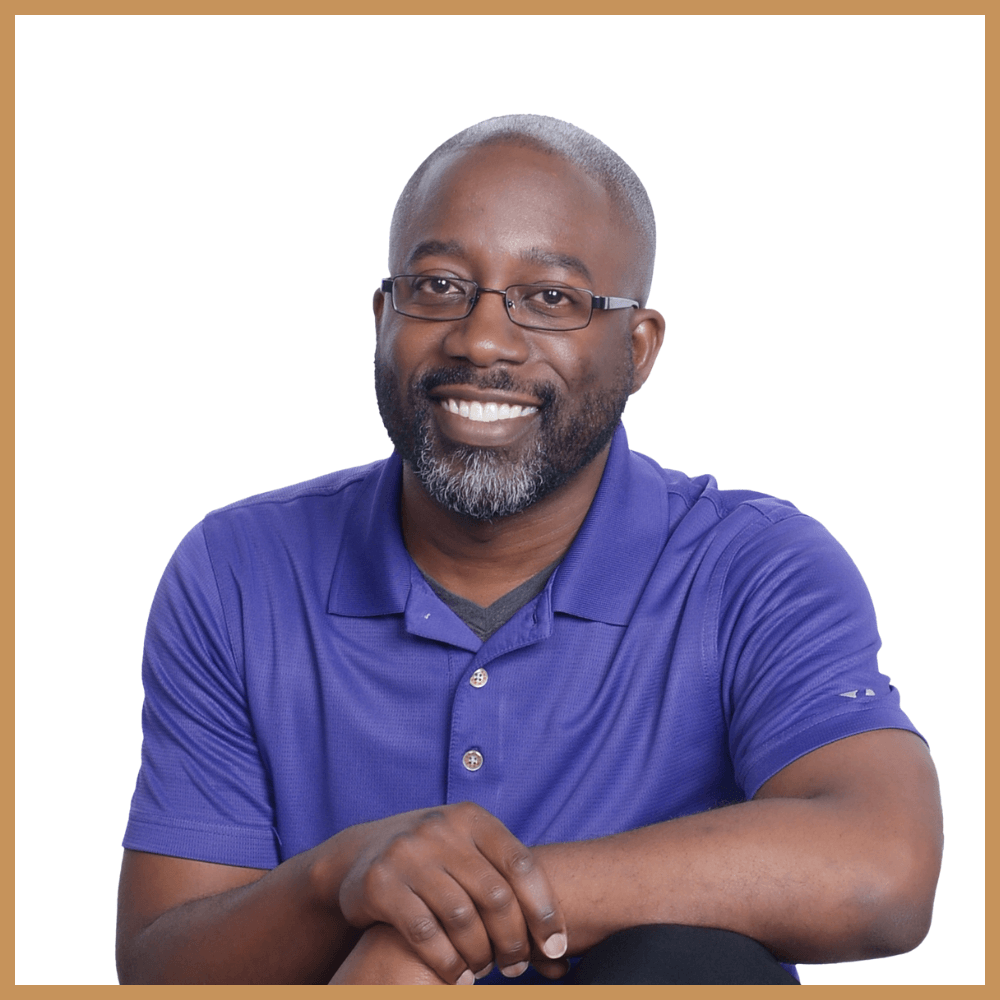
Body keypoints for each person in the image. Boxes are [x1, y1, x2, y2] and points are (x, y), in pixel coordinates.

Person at [116, 114, 942, 985]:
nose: (481, 339)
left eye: (551, 298)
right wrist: (338, 882)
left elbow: (881, 871)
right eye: (437, 285)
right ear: (381, 316)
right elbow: (164, 966)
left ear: (638, 347)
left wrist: (439, 929)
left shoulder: (756, 568)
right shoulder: (239, 571)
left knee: (689, 962)